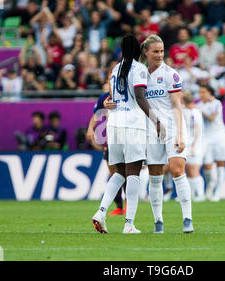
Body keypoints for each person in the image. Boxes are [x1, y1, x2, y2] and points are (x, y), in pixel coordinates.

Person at [92, 35, 161, 234]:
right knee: (133, 174)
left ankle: (101, 211)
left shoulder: (115, 69)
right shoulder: (138, 69)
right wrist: (156, 121)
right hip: (133, 124)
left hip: (114, 124)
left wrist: (106, 104)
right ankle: (129, 224)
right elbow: (139, 97)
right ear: (139, 50)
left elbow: (113, 99)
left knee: (119, 173)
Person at [139, 34, 194, 233]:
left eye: (162, 51)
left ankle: (187, 218)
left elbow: (177, 106)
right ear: (146, 52)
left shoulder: (171, 74)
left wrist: (180, 134)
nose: (160, 55)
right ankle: (158, 221)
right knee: (155, 176)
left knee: (178, 170)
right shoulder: (140, 75)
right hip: (151, 130)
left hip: (172, 127)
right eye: (156, 51)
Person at [86, 81, 126, 216]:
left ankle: (128, 205)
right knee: (114, 174)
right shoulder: (104, 97)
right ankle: (119, 207)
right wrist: (90, 128)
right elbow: (96, 115)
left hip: (126, 138)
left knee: (126, 173)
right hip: (110, 140)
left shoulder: (125, 94)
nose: (108, 86)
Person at [197, 84, 225, 201]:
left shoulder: (216, 103)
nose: (200, 94)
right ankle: (210, 187)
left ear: (209, 93)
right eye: (200, 92)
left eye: (203, 92)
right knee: (207, 165)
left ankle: (218, 192)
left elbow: (211, 118)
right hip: (206, 138)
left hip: (219, 137)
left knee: (220, 164)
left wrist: (199, 112)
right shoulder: (199, 105)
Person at [182, 91, 205, 202]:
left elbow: (197, 129)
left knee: (194, 170)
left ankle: (200, 194)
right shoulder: (186, 111)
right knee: (189, 170)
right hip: (189, 143)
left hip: (195, 144)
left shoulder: (195, 112)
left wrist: (194, 144)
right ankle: (191, 194)